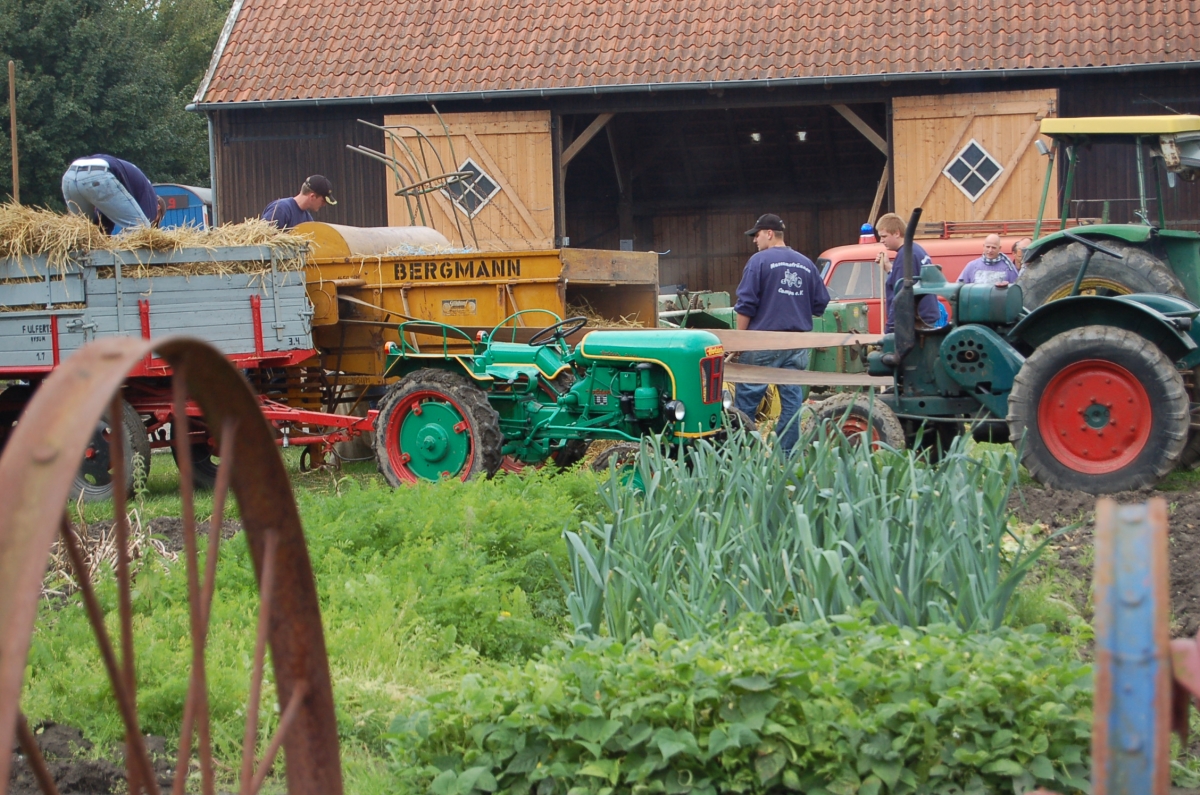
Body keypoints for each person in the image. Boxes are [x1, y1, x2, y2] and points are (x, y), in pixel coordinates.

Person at [733, 213, 830, 453]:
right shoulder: (806, 264)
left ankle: (745, 454)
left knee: (746, 401)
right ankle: (786, 456)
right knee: (792, 402)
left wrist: (738, 340)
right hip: (797, 344)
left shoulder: (759, 261)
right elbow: (820, 304)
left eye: (756, 235)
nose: (755, 241)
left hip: (762, 342)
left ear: (769, 233)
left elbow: (746, 304)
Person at [61, 155, 165, 234]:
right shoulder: (150, 196)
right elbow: (145, 233)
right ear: (158, 207)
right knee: (142, 228)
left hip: (69, 176)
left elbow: (103, 224)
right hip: (99, 174)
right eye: (158, 218)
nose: (155, 222)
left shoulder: (132, 186)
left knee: (87, 232)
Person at [876, 212, 938, 332]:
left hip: (915, 322)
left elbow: (902, 295)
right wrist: (889, 269)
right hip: (925, 317)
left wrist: (891, 327)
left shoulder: (905, 256)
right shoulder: (916, 250)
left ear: (897, 233)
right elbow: (910, 281)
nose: (881, 240)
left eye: (884, 236)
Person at [261, 175, 337, 230]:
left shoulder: (308, 219)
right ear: (312, 196)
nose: (324, 205)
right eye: (323, 201)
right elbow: (263, 238)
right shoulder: (280, 209)